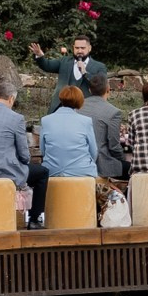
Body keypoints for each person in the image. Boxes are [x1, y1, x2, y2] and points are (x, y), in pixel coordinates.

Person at [29, 85, 98, 225]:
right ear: (79, 101)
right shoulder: (86, 121)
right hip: (81, 170)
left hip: (53, 169)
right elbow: (94, 151)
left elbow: (43, 150)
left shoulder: (46, 120)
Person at [80, 65, 127, 200]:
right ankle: (127, 207)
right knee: (133, 169)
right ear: (108, 89)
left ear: (89, 90)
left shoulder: (78, 106)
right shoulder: (113, 112)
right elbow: (114, 146)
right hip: (101, 163)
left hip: (81, 159)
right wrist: (122, 158)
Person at [27, 35, 97, 92]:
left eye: (82, 48)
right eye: (77, 48)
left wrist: (85, 72)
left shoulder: (99, 66)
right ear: (73, 48)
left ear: (89, 48)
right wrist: (39, 56)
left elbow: (100, 86)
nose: (79, 51)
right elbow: (47, 66)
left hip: (86, 106)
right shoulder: (64, 62)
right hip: (63, 105)